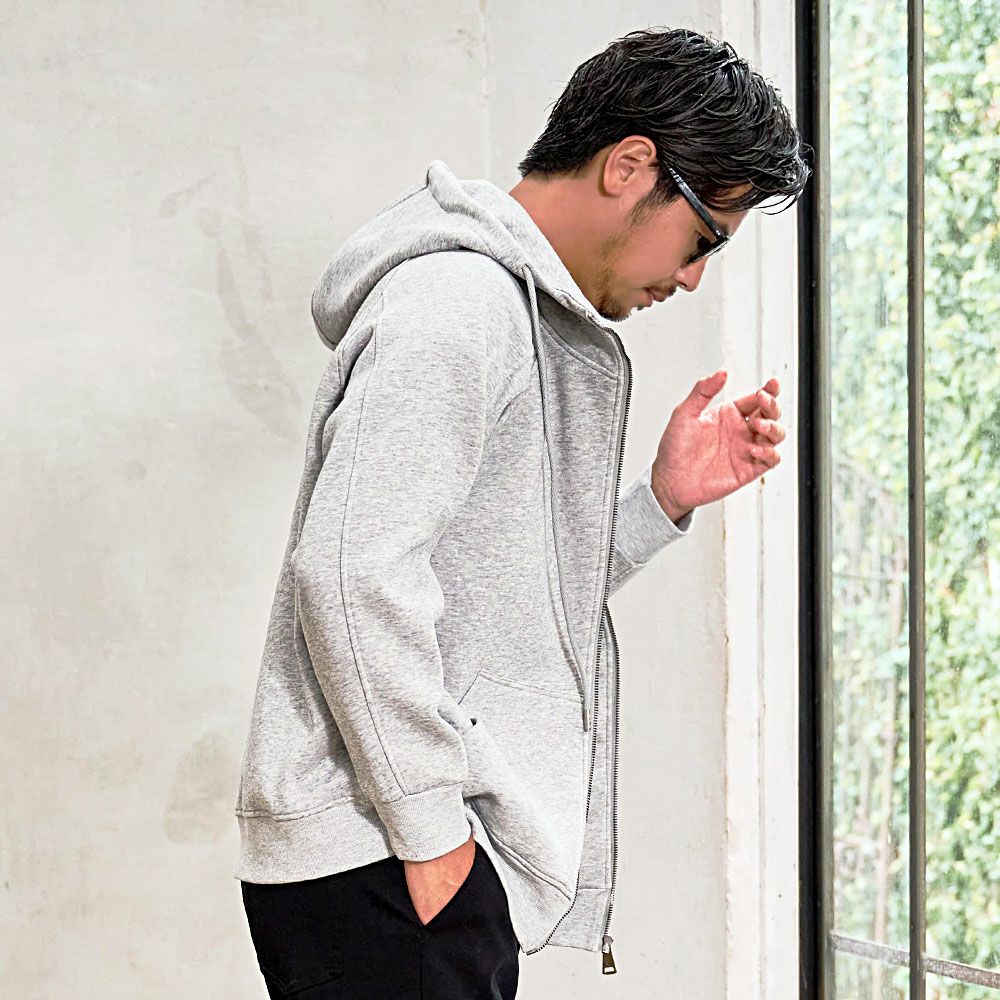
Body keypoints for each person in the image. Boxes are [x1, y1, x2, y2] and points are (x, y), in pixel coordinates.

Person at [234, 25, 809, 1000]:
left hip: (399, 854)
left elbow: (500, 595)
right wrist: (432, 836)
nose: (693, 277)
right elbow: (349, 571)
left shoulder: (509, 313)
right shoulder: (457, 304)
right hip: (386, 855)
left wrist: (660, 501)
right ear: (630, 166)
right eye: (704, 237)